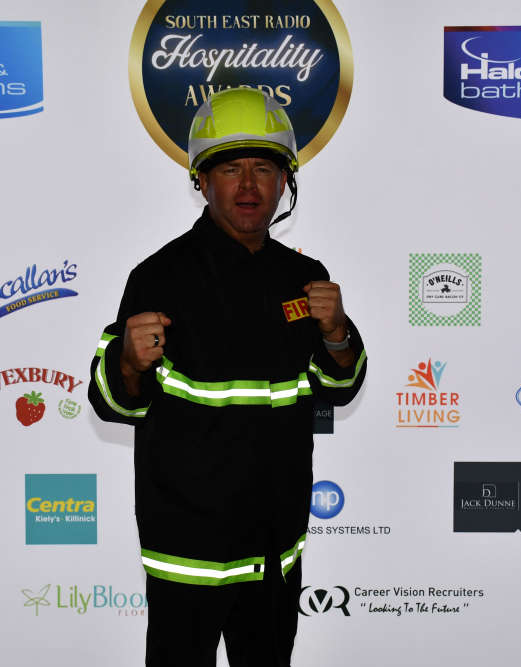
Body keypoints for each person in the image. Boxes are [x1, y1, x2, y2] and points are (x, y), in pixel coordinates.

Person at [88, 88, 367, 667]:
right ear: (202, 181)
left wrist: (338, 333)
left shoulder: (305, 277)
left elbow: (340, 389)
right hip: (189, 556)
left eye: (263, 168)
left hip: (274, 552)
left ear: (285, 182)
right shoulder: (159, 276)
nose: (247, 185)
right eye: (230, 169)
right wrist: (128, 363)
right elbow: (112, 402)